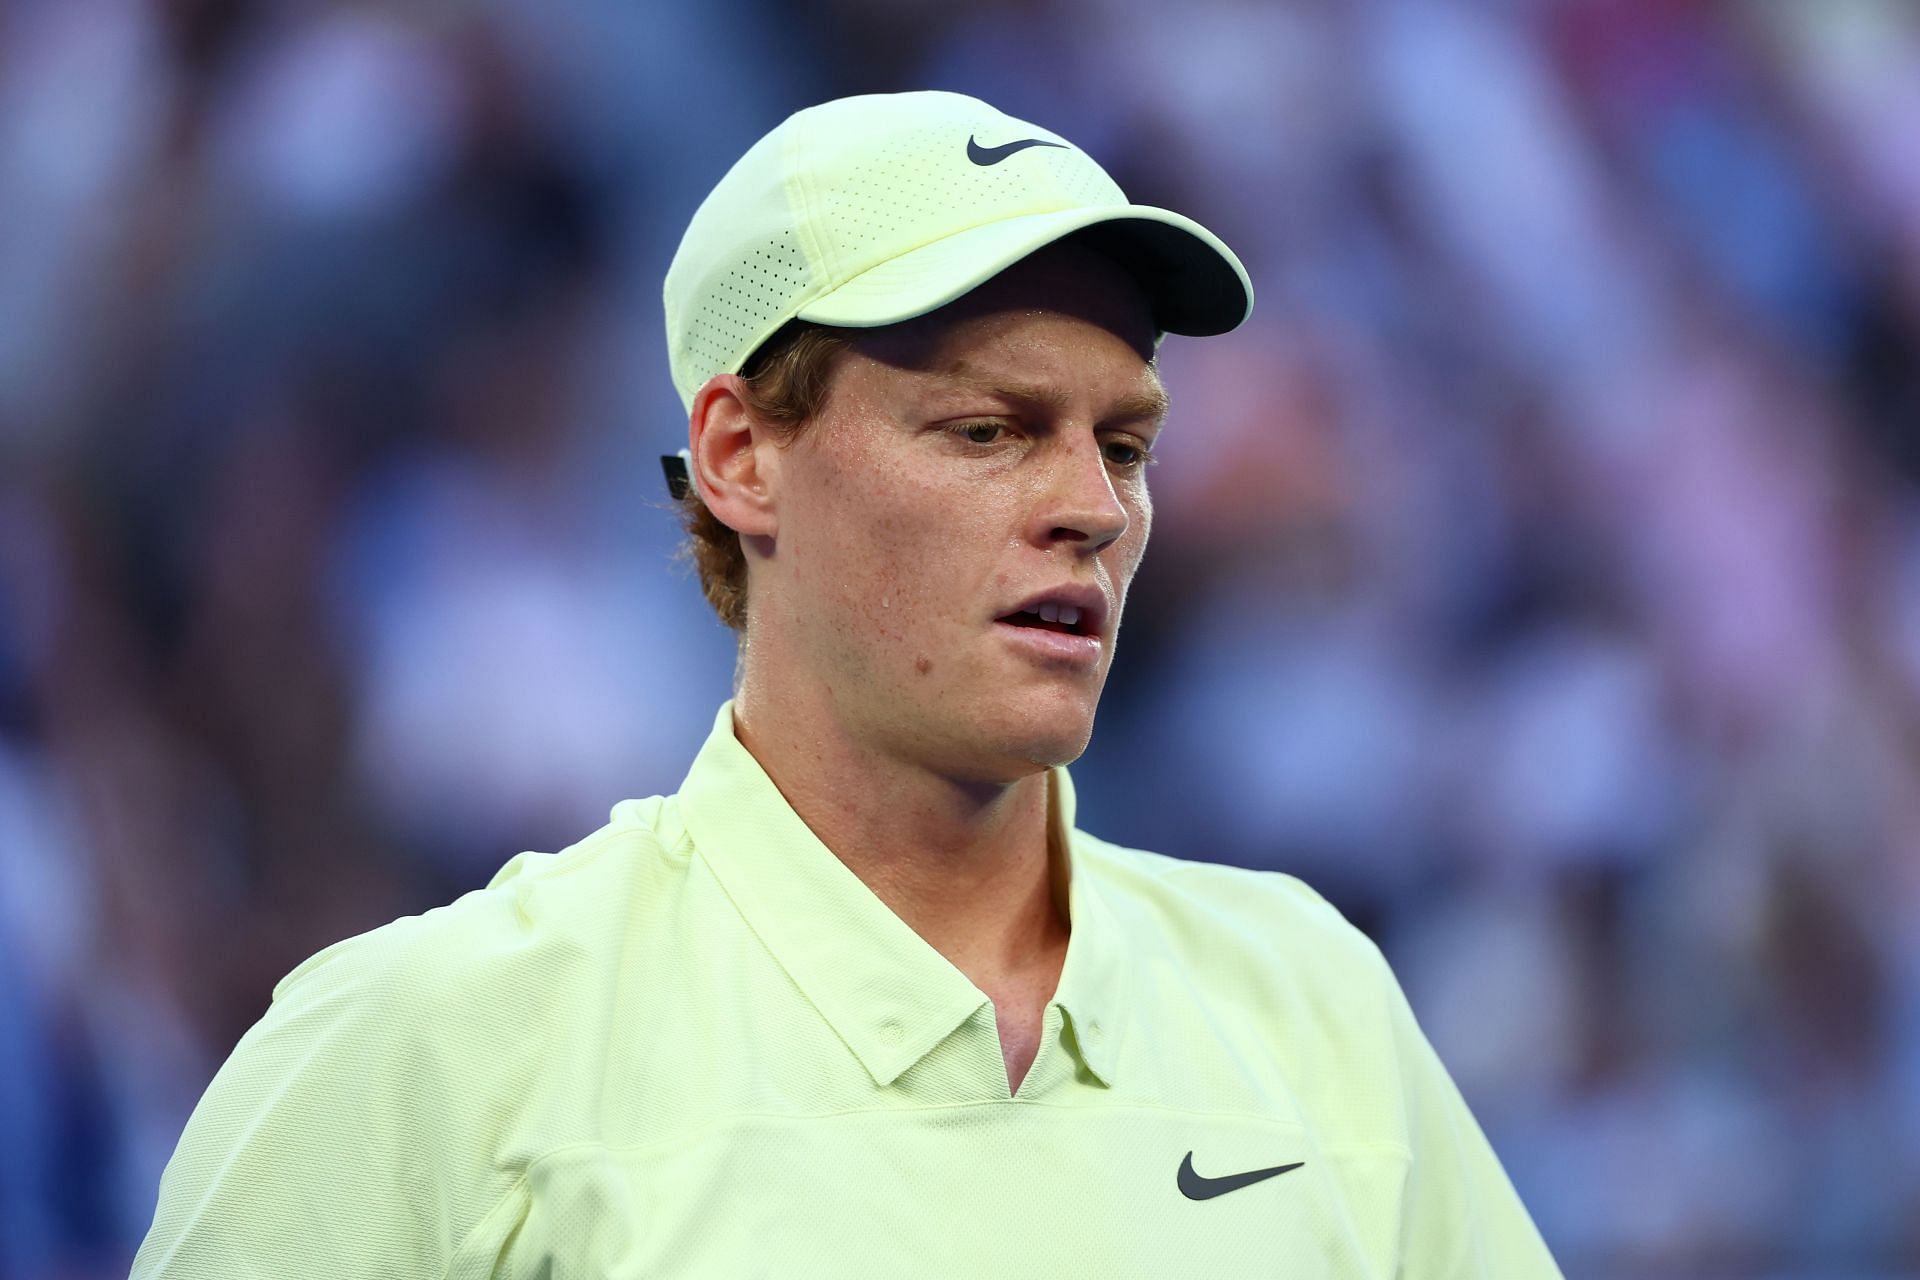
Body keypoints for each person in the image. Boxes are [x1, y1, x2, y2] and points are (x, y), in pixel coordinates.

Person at [131, 91, 1562, 1277]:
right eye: (991, 430)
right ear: (744, 458)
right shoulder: (426, 1053)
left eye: (1123, 445)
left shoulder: (1311, 1004)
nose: (1094, 508)